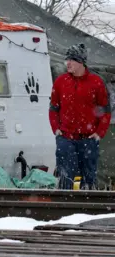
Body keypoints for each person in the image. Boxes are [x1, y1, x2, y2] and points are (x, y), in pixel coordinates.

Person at [49, 43, 111, 190]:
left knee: (89, 178)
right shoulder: (61, 82)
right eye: (67, 60)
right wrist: (56, 129)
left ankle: (87, 208)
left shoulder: (96, 82)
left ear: (81, 62)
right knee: (65, 175)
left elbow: (105, 111)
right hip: (65, 137)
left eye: (71, 60)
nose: (67, 63)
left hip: (88, 138)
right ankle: (64, 205)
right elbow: (53, 109)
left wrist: (99, 133)